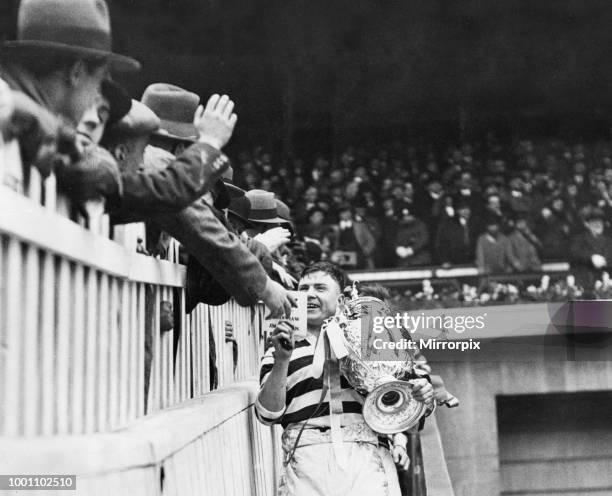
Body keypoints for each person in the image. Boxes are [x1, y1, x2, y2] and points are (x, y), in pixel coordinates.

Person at [255, 261, 434, 496]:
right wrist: (281, 359)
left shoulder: (372, 337)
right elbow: (267, 414)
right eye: (304, 288)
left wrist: (422, 394)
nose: (309, 295)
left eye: (320, 288)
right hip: (306, 461)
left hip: (367, 458)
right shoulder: (279, 344)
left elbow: (409, 402)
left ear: (341, 300)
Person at [0, 0, 139, 171]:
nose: (95, 97)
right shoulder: (12, 117)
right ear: (77, 72)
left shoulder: (42, 138)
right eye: (98, 81)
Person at [569, 207, 612, 293]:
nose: (598, 225)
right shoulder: (579, 240)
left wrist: (606, 261)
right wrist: (591, 258)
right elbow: (574, 254)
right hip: (585, 281)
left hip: (605, 280)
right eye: (594, 222)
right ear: (587, 224)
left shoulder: (608, 241)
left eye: (600, 222)